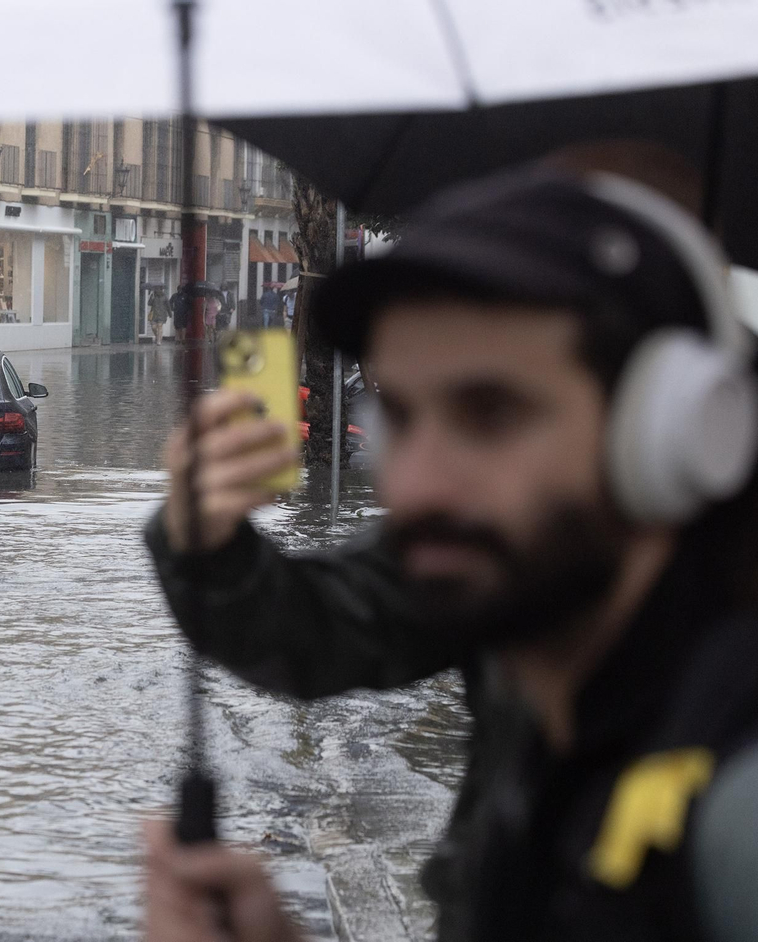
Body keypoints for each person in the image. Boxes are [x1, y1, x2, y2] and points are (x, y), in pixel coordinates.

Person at [144, 168, 758, 941]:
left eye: (492, 413)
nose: (418, 482)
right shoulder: (518, 606)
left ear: (668, 437)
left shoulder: (735, 819)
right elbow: (320, 625)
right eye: (398, 414)